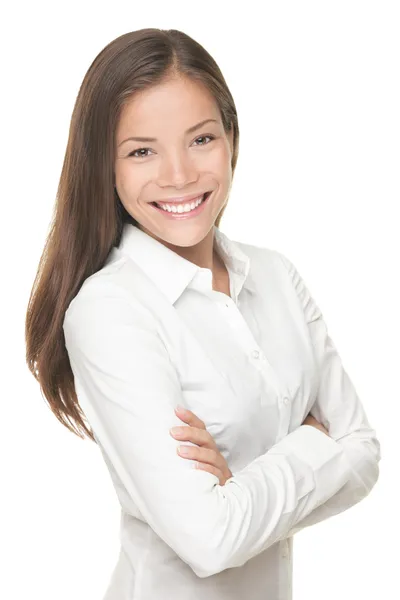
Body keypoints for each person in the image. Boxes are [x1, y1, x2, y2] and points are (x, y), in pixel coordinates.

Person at [25, 28, 381, 600]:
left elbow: (365, 454)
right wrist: (312, 444)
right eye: (142, 150)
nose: (179, 175)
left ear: (232, 140)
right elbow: (211, 541)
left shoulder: (277, 276)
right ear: (105, 167)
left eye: (201, 139)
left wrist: (239, 485)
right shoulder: (108, 311)